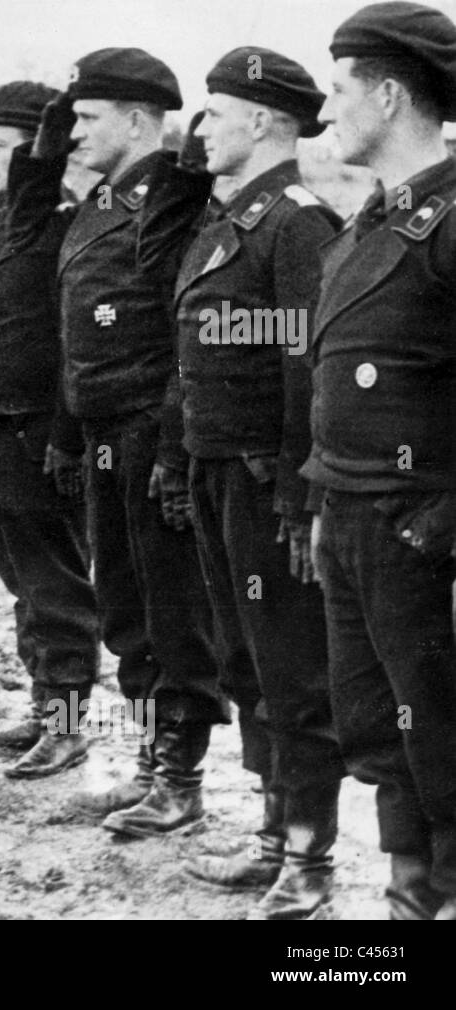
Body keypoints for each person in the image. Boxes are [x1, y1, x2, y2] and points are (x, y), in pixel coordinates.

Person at [139, 48, 345, 918]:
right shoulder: (231, 223)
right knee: (245, 662)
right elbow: (195, 357)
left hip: (268, 484)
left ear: (262, 121)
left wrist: (302, 498)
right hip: (221, 472)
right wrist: (181, 459)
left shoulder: (296, 223)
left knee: (292, 670)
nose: (201, 131)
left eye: (214, 115)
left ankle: (308, 860)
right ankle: (271, 837)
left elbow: (310, 371)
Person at [42, 49, 228, 836]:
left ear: (139, 121)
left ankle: (181, 782)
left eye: (88, 118)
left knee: (171, 611)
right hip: (104, 431)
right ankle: (152, 765)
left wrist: (174, 448)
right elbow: (76, 323)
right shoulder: (99, 200)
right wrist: (68, 430)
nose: (73, 133)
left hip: (152, 431)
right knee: (124, 605)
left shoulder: (176, 199)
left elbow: (187, 330)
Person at [305, 1, 456, 921]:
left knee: (443, 736)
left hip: (421, 527)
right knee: (381, 731)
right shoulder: (370, 223)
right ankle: (410, 904)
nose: (326, 114)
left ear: (390, 95)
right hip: (351, 514)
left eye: (338, 90)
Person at [0, 81, 100, 777]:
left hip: (37, 425)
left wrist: (35, 145)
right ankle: (43, 706)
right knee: (21, 575)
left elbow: (32, 181)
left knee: (53, 582)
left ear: (39, 154)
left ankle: (67, 723)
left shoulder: (48, 220)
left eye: (4, 148)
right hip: (0, 423)